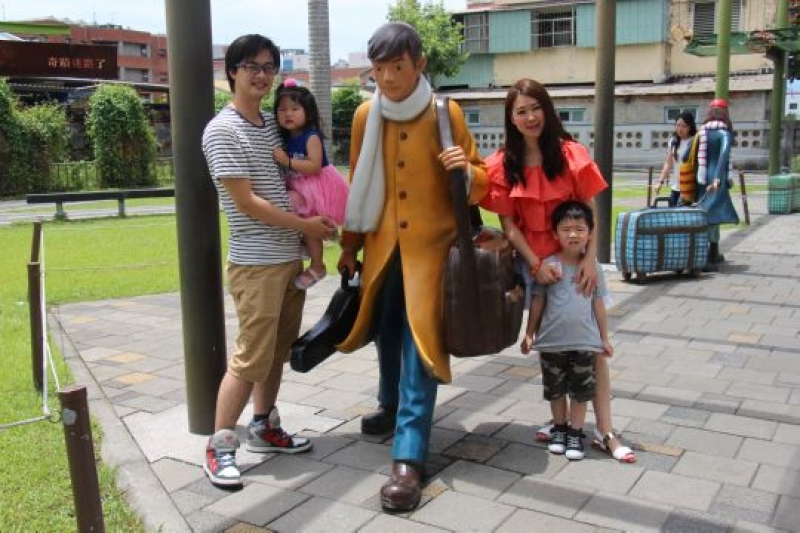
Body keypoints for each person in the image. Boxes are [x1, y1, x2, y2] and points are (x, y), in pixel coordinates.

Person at [336, 22, 487, 512]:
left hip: (432, 253)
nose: (387, 78)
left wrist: (465, 170)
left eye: (397, 67)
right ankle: (389, 405)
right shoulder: (366, 115)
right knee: (386, 331)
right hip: (382, 250)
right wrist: (350, 245)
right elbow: (358, 182)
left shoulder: (445, 112)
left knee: (421, 345)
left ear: (419, 64)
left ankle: (408, 456)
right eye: (379, 69)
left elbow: (482, 179)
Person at [201, 34, 334, 488]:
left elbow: (303, 176)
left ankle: (264, 426)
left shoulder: (273, 127)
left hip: (289, 259)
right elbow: (246, 203)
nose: (261, 75)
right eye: (252, 66)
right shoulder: (223, 130)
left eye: (268, 67)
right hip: (256, 262)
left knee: (277, 351)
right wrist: (306, 225)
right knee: (250, 357)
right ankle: (219, 446)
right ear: (232, 71)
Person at [480, 78, 635, 463]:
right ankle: (563, 423)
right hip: (536, 268)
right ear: (511, 118)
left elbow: (590, 211)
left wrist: (589, 259)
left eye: (536, 108)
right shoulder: (503, 163)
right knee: (552, 345)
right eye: (521, 111)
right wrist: (534, 265)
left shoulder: (570, 154)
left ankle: (605, 430)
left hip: (576, 264)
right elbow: (509, 225)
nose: (530, 117)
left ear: (547, 110)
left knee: (593, 347)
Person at [521, 200, 613, 461]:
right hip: (552, 342)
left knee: (581, 391)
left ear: (590, 233)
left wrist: (604, 338)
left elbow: (598, 303)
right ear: (555, 233)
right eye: (566, 229)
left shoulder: (593, 269)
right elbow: (538, 300)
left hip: (584, 342)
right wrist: (529, 333)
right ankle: (559, 429)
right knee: (556, 389)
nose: (573, 234)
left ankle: (575, 432)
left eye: (580, 229)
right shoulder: (548, 266)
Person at [272, 78, 349, 290]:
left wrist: (287, 162)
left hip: (317, 187)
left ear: (308, 112)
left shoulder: (311, 136)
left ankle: (318, 266)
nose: (288, 114)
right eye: (282, 110)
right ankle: (311, 242)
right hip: (300, 185)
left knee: (309, 223)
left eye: (294, 109)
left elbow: (314, 166)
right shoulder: (285, 137)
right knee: (297, 215)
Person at [697, 98, 739, 268]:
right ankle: (711, 253)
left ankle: (707, 251)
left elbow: (686, 155)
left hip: (701, 176)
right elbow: (723, 156)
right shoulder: (724, 133)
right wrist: (717, 178)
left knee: (704, 212)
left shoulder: (702, 132)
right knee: (713, 215)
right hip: (717, 177)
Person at [656, 112, 698, 207]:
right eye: (678, 125)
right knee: (672, 214)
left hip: (690, 189)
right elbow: (668, 163)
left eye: (684, 126)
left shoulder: (695, 141)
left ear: (690, 127)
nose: (680, 129)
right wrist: (660, 182)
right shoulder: (673, 141)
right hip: (676, 188)